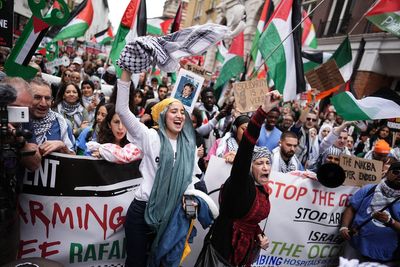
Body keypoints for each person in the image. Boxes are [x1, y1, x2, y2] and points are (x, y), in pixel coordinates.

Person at [116, 70, 201, 267]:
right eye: (174, 111)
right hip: (141, 213)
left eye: (182, 112)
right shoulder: (150, 137)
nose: (180, 115)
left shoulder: (190, 147)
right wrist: (127, 72)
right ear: (163, 116)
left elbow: (192, 179)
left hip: (171, 215)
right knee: (136, 263)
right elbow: (121, 109)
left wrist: (194, 198)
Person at [208, 90, 281, 267]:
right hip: (224, 251)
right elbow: (247, 145)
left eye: (267, 163)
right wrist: (263, 111)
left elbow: (250, 221)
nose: (265, 167)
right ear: (249, 167)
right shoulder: (241, 182)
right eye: (259, 163)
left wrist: (258, 235)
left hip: (245, 254)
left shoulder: (262, 190)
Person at [340, 161, 400, 266]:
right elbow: (351, 208)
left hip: (386, 257)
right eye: (396, 172)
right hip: (356, 248)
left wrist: (390, 221)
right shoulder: (369, 189)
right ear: (387, 173)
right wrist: (344, 227)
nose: (399, 176)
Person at [23, 78, 75, 155]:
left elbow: (73, 160)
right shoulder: (17, 122)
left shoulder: (61, 123)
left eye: (47, 98)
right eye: (37, 97)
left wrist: (62, 146)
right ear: (26, 98)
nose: (43, 104)